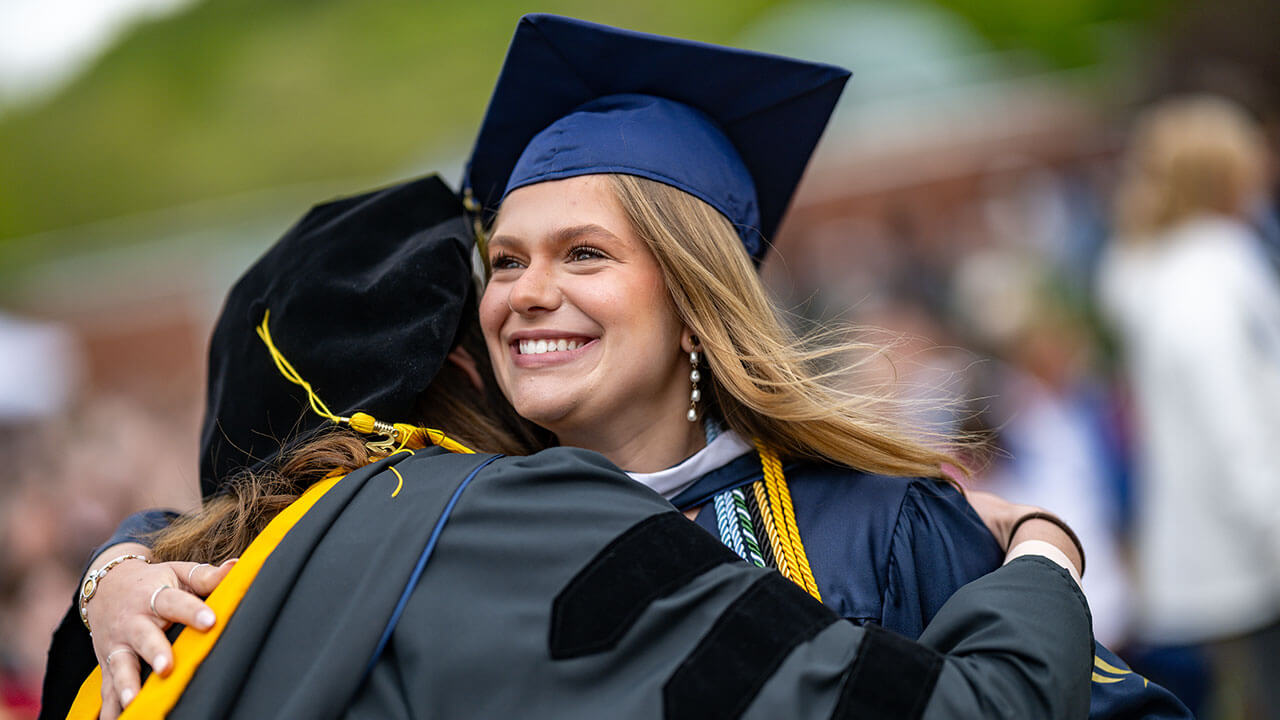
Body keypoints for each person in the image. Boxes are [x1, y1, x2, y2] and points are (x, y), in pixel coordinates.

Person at [64, 14, 1189, 719]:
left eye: (584, 255)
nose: (525, 292)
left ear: (695, 303)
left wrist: (1032, 549)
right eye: (502, 261)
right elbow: (247, 525)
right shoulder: (466, 528)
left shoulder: (887, 522)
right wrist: (115, 572)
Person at [1098, 95, 1280, 716]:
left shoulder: (1170, 274)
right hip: (1254, 551)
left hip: (1231, 549)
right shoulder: (1205, 281)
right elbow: (1238, 434)